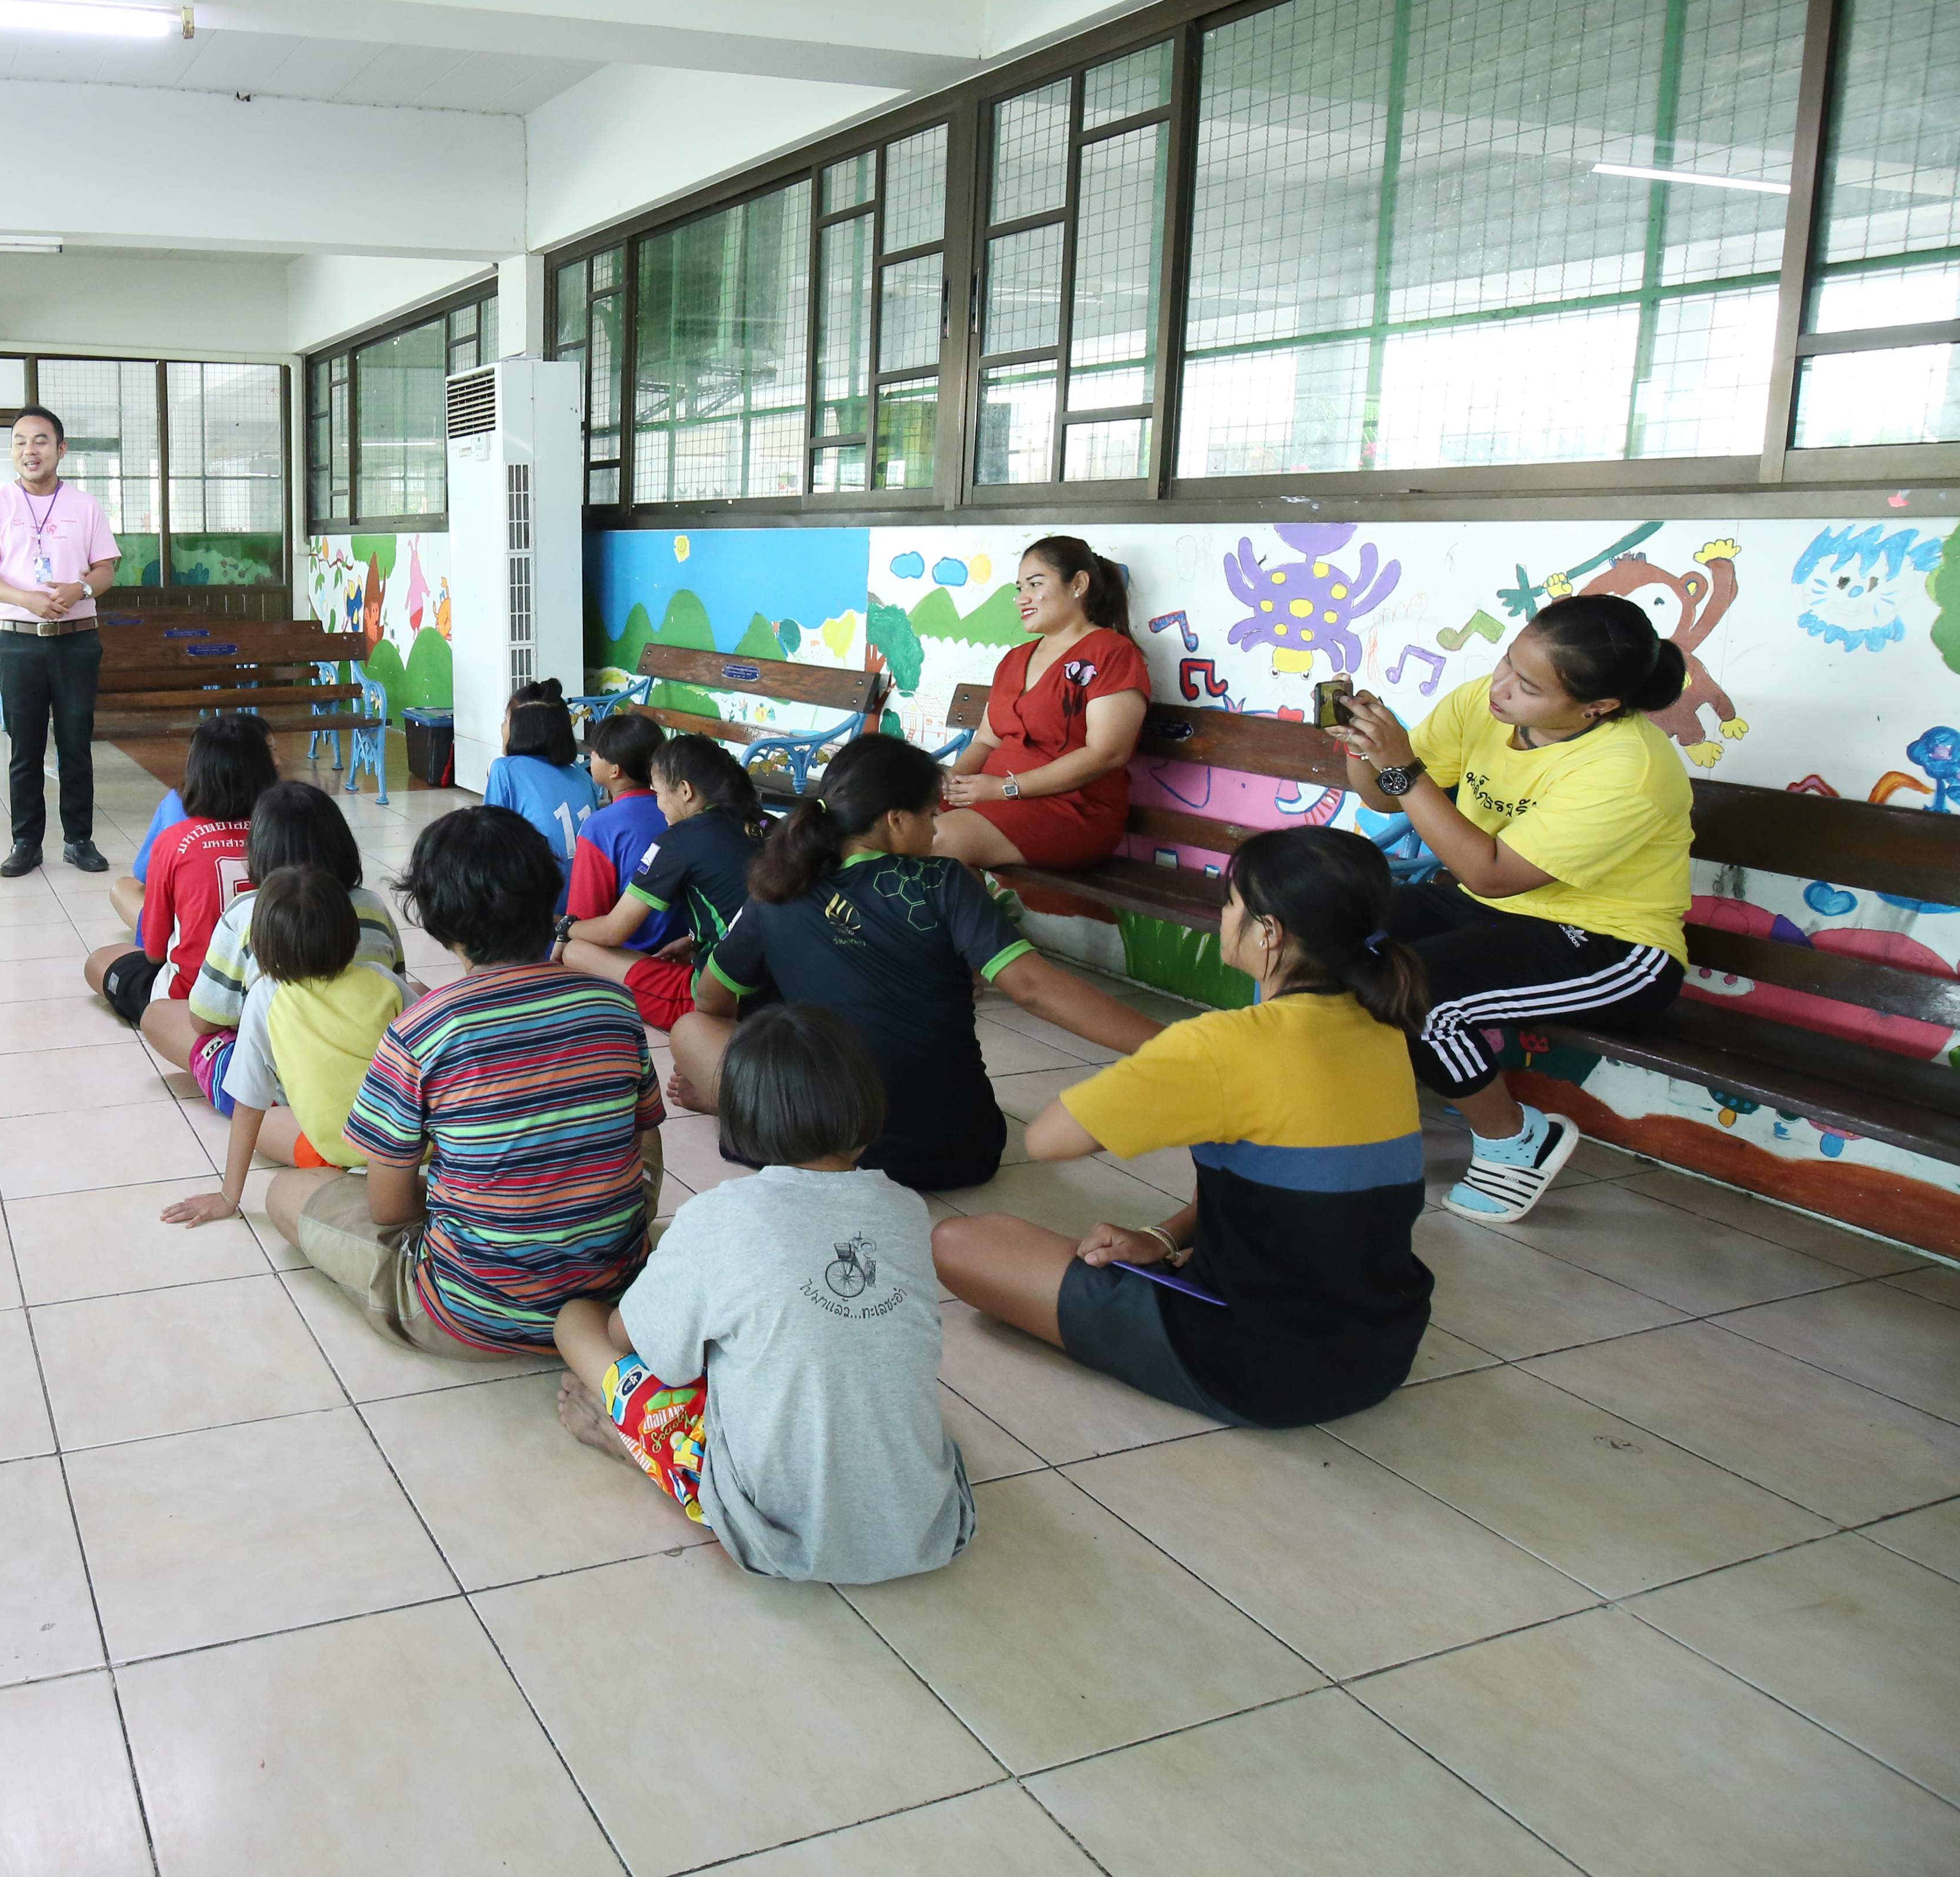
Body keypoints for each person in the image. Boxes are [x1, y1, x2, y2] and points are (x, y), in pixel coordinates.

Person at [931, 828, 1435, 1430]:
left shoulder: (1221, 1045)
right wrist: (1164, 1239)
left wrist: (1174, 1061)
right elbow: (1268, 1174)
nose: (1221, 916)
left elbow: (1049, 1139)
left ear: (1269, 934)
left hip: (1257, 1369)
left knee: (960, 1243)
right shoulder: (1384, 1028)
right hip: (1382, 1350)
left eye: (1230, 904)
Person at [552, 1005, 974, 1585]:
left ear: (739, 1121)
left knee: (577, 1321)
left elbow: (637, 1347)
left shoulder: (718, 1218)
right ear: (867, 1105)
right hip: (930, 1523)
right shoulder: (905, 1209)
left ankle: (632, 1447)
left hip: (771, 1533)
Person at [1331, 592, 1693, 1221]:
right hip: (1493, 910)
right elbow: (1391, 800)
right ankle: (1347, 1117)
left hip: (1614, 947)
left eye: (1527, 686)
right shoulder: (1483, 703)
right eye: (1506, 663)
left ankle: (1518, 1142)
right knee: (1326, 928)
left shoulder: (1628, 769)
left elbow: (1490, 872)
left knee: (1421, 995)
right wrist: (1365, 745)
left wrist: (1403, 770)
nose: (1501, 688)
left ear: (1598, 707)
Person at [261, 805, 661, 1360]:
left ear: (438, 922)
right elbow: (646, 1135)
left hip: (470, 1311)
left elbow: (390, 1210)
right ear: (550, 901)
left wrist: (478, 1208)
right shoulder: (615, 1005)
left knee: (286, 1191)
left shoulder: (420, 1031)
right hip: (616, 1293)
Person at [679, 736, 1164, 1191]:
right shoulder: (943, 882)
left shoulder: (777, 888)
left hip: (813, 1151)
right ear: (895, 820)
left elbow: (711, 1001)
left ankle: (743, 1113)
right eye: (931, 814)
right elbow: (1034, 989)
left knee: (691, 1029)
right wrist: (1171, 1045)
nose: (936, 829)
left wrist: (741, 1093)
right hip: (953, 1152)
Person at [161, 865, 416, 1227]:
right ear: (351, 933)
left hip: (343, 1152)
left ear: (263, 945)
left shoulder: (266, 996)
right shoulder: (384, 980)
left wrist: (228, 1196)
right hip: (415, 1148)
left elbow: (249, 1102)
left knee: (283, 1173)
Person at [142, 778, 405, 1107]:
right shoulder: (374, 907)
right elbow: (397, 984)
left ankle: (282, 1119)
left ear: (259, 850)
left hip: (281, 1087)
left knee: (157, 1016)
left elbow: (204, 1020)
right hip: (372, 1080)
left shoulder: (246, 913)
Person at [0, 405, 122, 878]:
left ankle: (79, 840)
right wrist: (26, 600)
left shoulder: (85, 506)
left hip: (77, 641)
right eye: (20, 442)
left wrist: (83, 589)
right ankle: (26, 842)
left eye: (40, 441)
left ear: (61, 449)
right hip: (19, 641)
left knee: (76, 744)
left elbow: (106, 569)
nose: (29, 451)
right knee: (25, 747)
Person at [934, 534, 1152, 871]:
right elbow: (987, 741)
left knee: (937, 840)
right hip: (993, 797)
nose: (1023, 599)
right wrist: (952, 783)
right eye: (1019, 589)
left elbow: (1107, 753)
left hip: (1071, 809)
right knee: (893, 822)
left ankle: (970, 925)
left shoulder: (1111, 653)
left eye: (1035, 585)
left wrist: (1004, 789)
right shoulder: (1014, 659)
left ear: (1079, 584)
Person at [561, 732, 765, 1033]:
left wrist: (565, 927)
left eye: (657, 793)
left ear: (685, 791)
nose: (658, 805)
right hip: (780, 984)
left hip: (726, 998)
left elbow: (613, 930)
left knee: (576, 951)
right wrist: (696, 941)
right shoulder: (763, 823)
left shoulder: (679, 840)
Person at [86, 715, 276, 1029]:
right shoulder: (285, 828)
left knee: (99, 962)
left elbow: (154, 951)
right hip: (277, 989)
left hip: (196, 996)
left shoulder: (174, 841)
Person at [112, 717, 271, 940]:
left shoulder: (176, 825)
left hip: (199, 960)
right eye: (271, 751)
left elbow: (145, 878)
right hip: (274, 954)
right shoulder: (286, 819)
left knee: (124, 890)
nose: (279, 762)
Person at [483, 681, 596, 911]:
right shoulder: (583, 776)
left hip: (536, 909)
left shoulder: (504, 769)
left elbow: (488, 843)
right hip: (586, 904)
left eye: (506, 720)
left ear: (523, 730)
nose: (502, 727)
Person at [566, 711, 672, 945]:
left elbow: (585, 917)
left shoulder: (600, 826)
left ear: (615, 770)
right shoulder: (674, 811)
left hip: (628, 956)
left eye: (597, 752)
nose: (591, 755)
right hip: (681, 952)